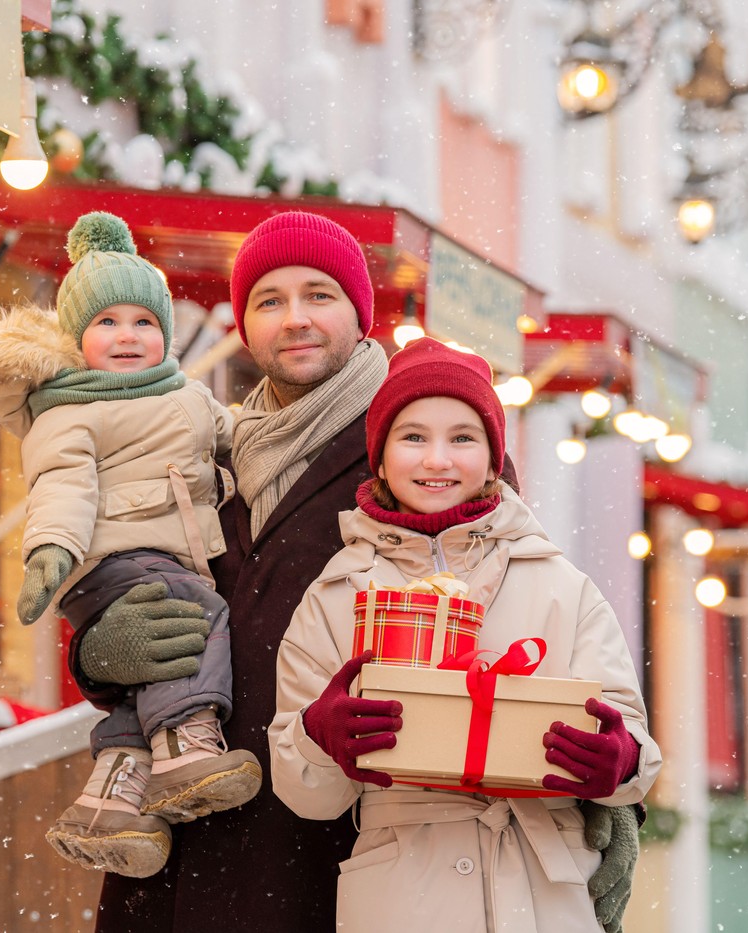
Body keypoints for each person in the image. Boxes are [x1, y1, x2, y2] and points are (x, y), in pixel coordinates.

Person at [87, 211, 644, 932]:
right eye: (269, 300)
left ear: (359, 311)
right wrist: (99, 652)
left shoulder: (420, 451)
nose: (296, 319)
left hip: (350, 841)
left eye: (319, 295)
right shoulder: (203, 456)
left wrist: (611, 792)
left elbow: (516, 613)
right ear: (244, 321)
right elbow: (128, 574)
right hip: (197, 820)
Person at [268, 337, 661, 932]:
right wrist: (320, 737)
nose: (437, 460)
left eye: (462, 437)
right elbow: (307, 796)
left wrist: (620, 762)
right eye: (413, 437)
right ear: (377, 457)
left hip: (543, 891)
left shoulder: (561, 584)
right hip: (402, 894)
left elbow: (630, 740)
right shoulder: (334, 596)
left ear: (493, 455)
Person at [0, 211, 260, 878]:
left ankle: (107, 800)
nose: (127, 336)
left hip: (160, 554)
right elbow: (61, 488)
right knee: (198, 615)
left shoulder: (187, 396)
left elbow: (239, 436)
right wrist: (50, 555)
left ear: (165, 333)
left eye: (144, 322)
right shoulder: (70, 409)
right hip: (108, 562)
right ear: (76, 339)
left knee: (142, 678)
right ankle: (185, 751)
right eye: (106, 323)